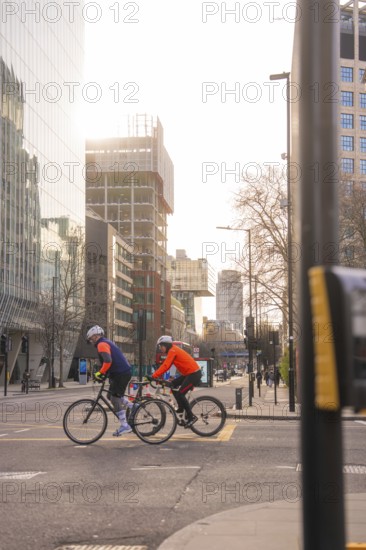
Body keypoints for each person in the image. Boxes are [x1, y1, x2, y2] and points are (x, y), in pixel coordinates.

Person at [86, 325, 132, 436]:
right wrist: (103, 375)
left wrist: (100, 373)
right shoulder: (105, 342)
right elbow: (109, 363)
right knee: (109, 396)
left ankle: (125, 426)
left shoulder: (101, 344)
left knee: (115, 398)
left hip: (121, 374)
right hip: (120, 373)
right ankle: (132, 406)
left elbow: (108, 361)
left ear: (96, 336)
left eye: (91, 338)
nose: (91, 341)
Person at [149, 335, 202, 428]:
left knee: (181, 394)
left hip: (194, 374)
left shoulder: (173, 350)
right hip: (188, 374)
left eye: (161, 346)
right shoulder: (172, 350)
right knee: (172, 385)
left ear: (166, 345)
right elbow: (170, 366)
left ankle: (191, 417)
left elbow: (166, 365)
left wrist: (154, 376)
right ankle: (181, 409)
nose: (160, 348)